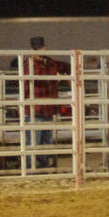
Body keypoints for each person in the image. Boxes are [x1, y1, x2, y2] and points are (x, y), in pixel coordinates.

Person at [22, 36, 69, 168]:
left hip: (46, 109)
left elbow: (66, 66)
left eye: (41, 48)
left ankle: (41, 166)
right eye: (38, 48)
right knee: (34, 141)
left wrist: (64, 74)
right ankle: (31, 167)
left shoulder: (49, 63)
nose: (41, 50)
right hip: (36, 109)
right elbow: (37, 78)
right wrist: (57, 77)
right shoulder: (29, 65)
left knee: (44, 141)